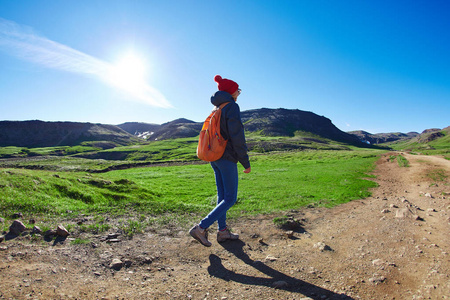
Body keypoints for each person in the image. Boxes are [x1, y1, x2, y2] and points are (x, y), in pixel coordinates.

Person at [190, 75, 251, 247]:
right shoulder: (232, 107)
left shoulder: (218, 108)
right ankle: (201, 227)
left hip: (214, 157)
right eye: (238, 90)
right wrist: (245, 161)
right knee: (230, 198)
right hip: (227, 158)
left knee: (223, 196)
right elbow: (237, 136)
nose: (239, 92)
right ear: (231, 91)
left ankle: (222, 231)